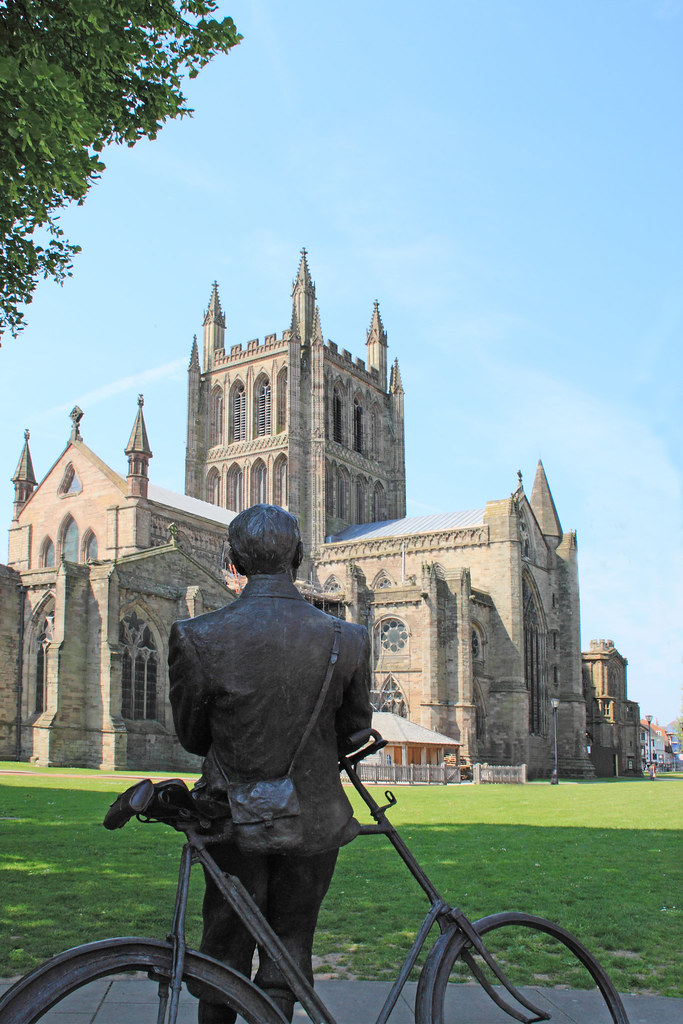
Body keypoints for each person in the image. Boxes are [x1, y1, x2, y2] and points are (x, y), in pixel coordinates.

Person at [168, 504, 372, 1024]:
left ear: (232, 561)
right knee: (291, 944)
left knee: (224, 946)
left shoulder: (196, 636)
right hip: (314, 817)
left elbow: (193, 737)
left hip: (231, 815)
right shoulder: (347, 638)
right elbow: (354, 731)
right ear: (298, 556)